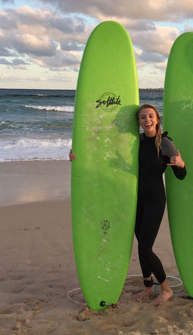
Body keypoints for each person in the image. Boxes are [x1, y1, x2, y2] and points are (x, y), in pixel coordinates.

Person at [70, 103, 186, 306]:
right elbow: (103, 154)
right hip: (135, 199)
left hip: (155, 199)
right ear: (139, 122)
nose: (147, 120)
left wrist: (181, 164)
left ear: (157, 119)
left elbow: (181, 175)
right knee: (141, 242)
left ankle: (166, 289)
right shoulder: (136, 142)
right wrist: (76, 156)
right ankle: (148, 286)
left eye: (151, 116)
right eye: (143, 117)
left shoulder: (165, 143)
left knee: (145, 248)